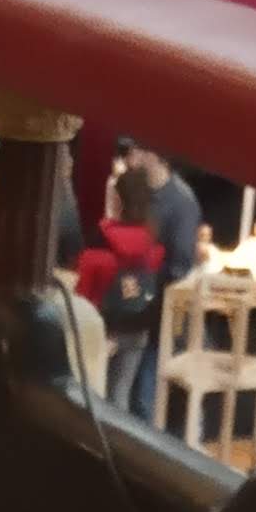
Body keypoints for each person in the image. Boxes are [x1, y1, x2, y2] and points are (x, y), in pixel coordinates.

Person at [106, 143, 203, 416]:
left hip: (160, 317)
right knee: (119, 391)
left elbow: (179, 268)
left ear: (156, 155)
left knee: (142, 398)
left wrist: (142, 278)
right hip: (132, 312)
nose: (131, 157)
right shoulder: (140, 193)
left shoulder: (181, 202)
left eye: (138, 150)